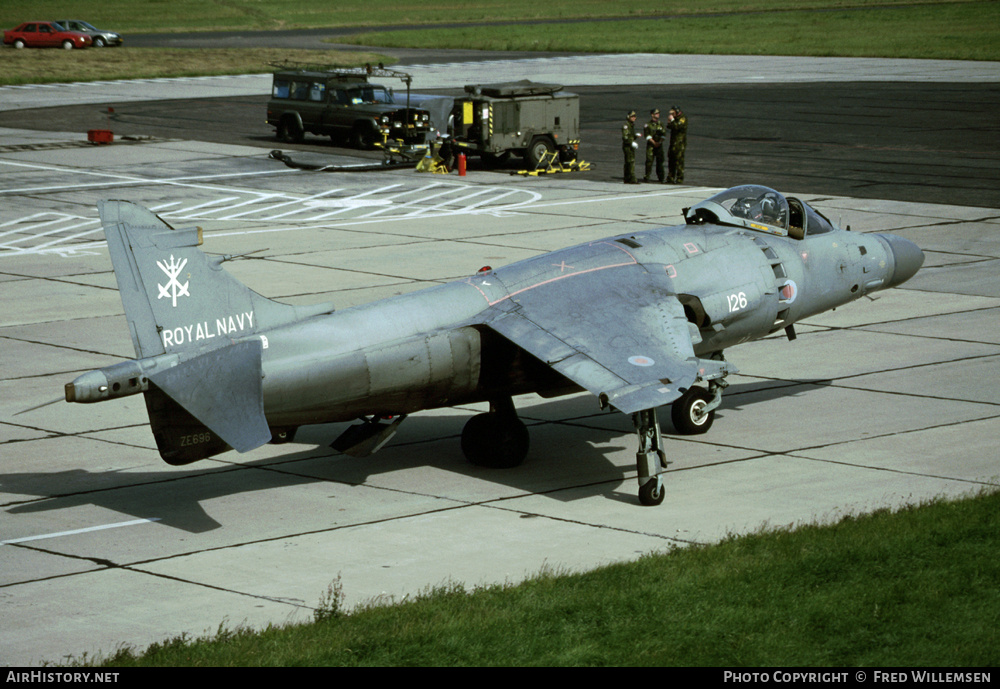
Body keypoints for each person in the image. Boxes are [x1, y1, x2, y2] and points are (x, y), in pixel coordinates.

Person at [643, 108, 667, 183]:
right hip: (651, 145)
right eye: (656, 113)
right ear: (652, 115)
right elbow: (647, 135)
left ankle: (661, 177)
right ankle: (647, 176)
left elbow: (664, 135)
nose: (658, 114)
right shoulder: (648, 125)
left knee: (660, 162)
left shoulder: (661, 124)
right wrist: (654, 143)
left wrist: (659, 142)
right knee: (649, 161)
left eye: (658, 113)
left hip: (659, 145)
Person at [666, 105, 688, 184]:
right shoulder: (675, 119)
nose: (672, 115)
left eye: (673, 113)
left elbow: (677, 126)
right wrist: (670, 121)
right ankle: (670, 178)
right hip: (673, 143)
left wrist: (672, 120)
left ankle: (679, 178)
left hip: (680, 144)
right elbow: (669, 126)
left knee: (679, 161)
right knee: (671, 160)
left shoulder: (683, 118)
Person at [621, 110, 640, 184]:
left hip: (629, 146)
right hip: (627, 146)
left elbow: (630, 136)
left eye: (634, 116)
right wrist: (631, 142)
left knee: (628, 162)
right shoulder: (626, 126)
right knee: (631, 162)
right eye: (632, 116)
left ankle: (627, 178)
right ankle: (632, 179)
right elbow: (625, 137)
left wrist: (635, 136)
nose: (634, 118)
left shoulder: (631, 125)